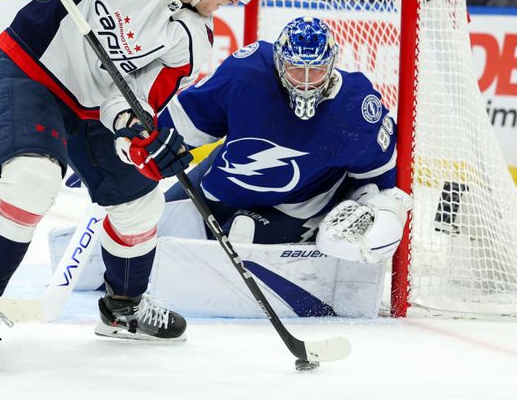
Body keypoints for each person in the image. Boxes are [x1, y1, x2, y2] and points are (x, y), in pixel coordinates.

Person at [0, 0, 266, 370]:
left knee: (142, 203)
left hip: (92, 105)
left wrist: (146, 139)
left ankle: (123, 310)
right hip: (28, 69)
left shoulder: (195, 37)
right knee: (33, 180)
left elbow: (131, 105)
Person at [156, 17, 410, 261]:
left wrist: (379, 216)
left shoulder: (355, 108)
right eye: (297, 69)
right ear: (279, 60)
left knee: (241, 235)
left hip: (295, 209)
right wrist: (157, 145)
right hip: (225, 182)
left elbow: (380, 185)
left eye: (317, 70)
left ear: (331, 64)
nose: (307, 82)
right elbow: (183, 123)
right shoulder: (247, 72)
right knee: (152, 224)